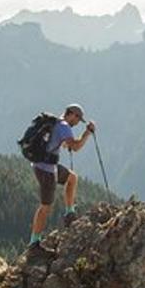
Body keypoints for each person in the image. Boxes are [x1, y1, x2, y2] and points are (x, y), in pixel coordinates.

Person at [29, 103, 96, 248]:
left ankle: (69, 214)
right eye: (78, 119)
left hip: (43, 164)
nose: (77, 123)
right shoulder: (64, 126)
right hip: (46, 170)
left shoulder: (55, 122)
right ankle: (34, 243)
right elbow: (76, 147)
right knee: (45, 207)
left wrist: (65, 144)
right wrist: (87, 133)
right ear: (72, 115)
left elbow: (59, 141)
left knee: (72, 178)